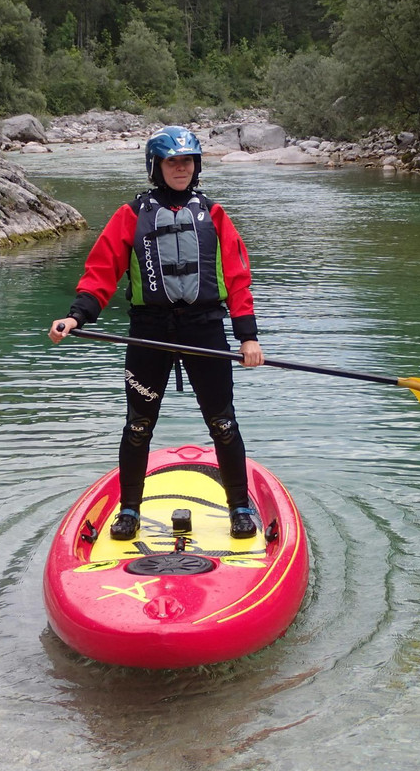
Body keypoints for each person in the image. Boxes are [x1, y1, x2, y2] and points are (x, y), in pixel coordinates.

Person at [49, 126, 264, 541]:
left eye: (187, 161)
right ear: (157, 167)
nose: (180, 169)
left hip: (204, 330)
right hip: (149, 334)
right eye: (172, 162)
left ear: (196, 167)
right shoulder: (131, 215)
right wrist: (76, 316)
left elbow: (238, 279)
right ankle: (129, 509)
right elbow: (101, 272)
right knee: (137, 426)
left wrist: (248, 338)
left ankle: (239, 507)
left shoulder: (215, 214)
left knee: (222, 423)